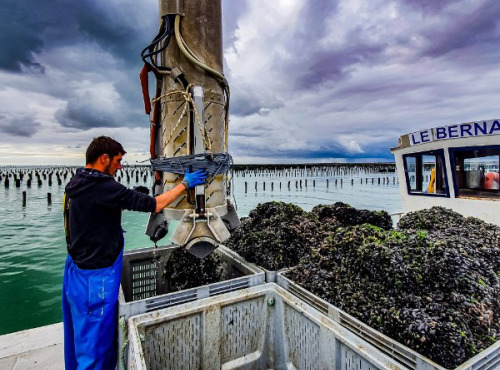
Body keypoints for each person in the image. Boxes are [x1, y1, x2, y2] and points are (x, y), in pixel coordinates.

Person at [62, 136, 207, 369]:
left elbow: (99, 207)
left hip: (75, 273)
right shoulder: (104, 187)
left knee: (79, 339)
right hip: (95, 280)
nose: (120, 167)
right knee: (95, 350)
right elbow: (157, 205)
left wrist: (128, 195)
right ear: (104, 158)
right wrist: (185, 184)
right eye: (118, 161)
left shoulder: (77, 182)